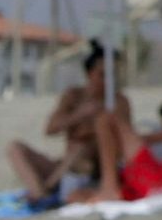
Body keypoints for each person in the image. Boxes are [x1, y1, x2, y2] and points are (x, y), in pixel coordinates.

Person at [8, 43, 125, 202]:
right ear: (90, 74)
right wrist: (80, 115)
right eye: (102, 75)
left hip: (95, 168)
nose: (108, 81)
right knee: (15, 148)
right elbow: (50, 129)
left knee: (82, 149)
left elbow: (124, 143)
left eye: (112, 75)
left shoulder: (118, 102)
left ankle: (47, 188)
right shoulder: (74, 96)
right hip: (66, 166)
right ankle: (38, 191)